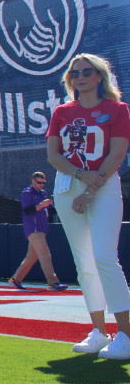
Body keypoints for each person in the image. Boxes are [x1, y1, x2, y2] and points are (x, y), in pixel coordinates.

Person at [45, 53, 130, 360]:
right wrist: (81, 177)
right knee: (85, 264)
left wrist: (90, 189)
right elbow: (54, 156)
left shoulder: (117, 109)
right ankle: (98, 332)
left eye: (87, 71)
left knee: (106, 257)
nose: (80, 76)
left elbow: (117, 153)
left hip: (103, 187)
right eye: (75, 72)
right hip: (68, 186)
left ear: (99, 76)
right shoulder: (62, 112)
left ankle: (126, 334)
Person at [8, 171, 65, 291]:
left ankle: (16, 279)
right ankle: (53, 283)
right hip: (33, 228)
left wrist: (60, 210)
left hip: (42, 228)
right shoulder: (27, 194)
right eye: (39, 182)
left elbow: (51, 209)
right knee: (45, 254)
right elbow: (27, 211)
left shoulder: (43, 193)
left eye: (43, 182)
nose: (42, 185)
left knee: (32, 257)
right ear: (33, 181)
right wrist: (42, 205)